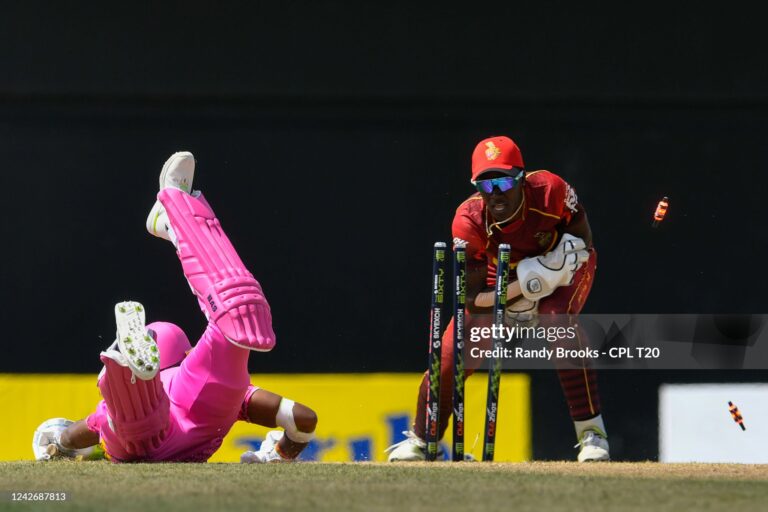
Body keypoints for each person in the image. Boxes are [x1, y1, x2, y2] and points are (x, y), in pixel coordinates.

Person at [32, 152, 317, 463]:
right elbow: (304, 419)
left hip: (130, 440)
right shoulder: (219, 389)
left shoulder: (109, 414)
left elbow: (74, 435)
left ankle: (127, 379)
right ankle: (130, 381)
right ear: (184, 355)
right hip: (177, 418)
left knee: (124, 420)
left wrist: (58, 443)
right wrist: (278, 454)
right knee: (242, 311)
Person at [386, 136, 609, 462]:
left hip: (564, 264)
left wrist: (555, 268)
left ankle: (593, 434)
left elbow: (584, 237)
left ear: (521, 176)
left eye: (504, 181)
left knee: (554, 318)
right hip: (504, 274)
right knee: (453, 351)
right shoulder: (469, 220)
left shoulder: (550, 190)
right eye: (485, 185)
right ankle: (423, 440)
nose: (496, 194)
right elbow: (474, 299)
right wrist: (526, 285)